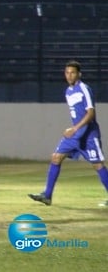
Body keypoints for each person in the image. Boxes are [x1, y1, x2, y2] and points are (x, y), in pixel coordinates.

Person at [28, 60, 108, 206]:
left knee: (98, 165)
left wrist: (75, 128)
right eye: (67, 73)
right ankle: (47, 195)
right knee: (56, 157)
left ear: (79, 74)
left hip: (89, 135)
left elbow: (90, 114)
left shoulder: (84, 89)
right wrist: (74, 130)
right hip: (75, 136)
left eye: (72, 73)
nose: (69, 75)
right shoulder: (68, 91)